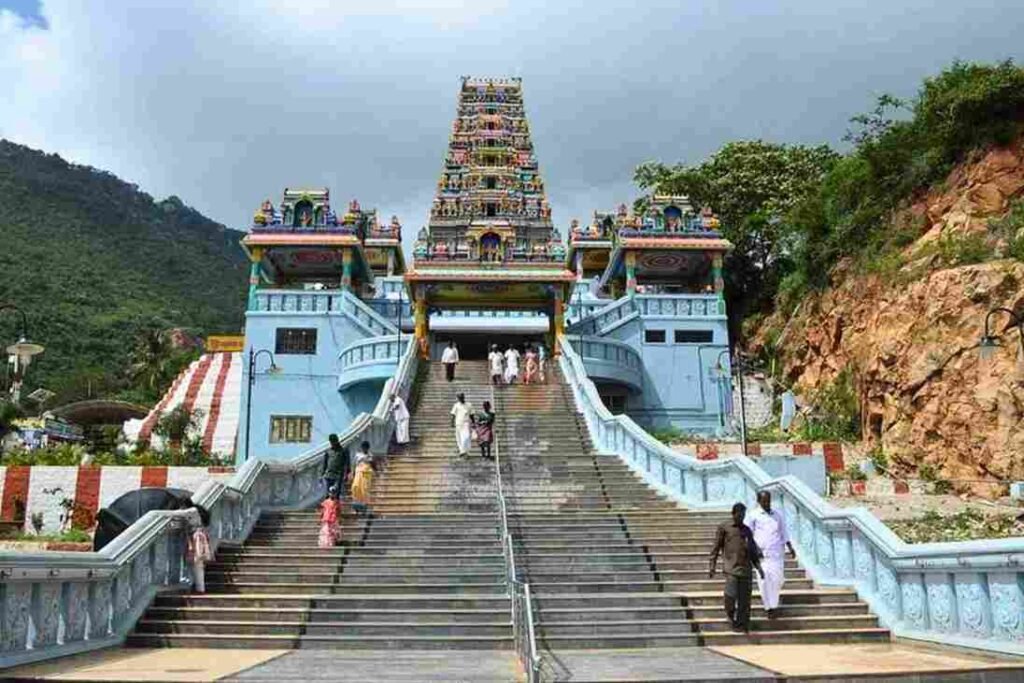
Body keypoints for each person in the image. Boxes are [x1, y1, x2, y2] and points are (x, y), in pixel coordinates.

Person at [709, 502, 764, 633]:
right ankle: (730, 614)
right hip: (731, 568)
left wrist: (759, 567)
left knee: (745, 600)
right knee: (731, 594)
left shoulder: (747, 530)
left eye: (743, 515)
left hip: (746, 569)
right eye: (739, 515)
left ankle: (741, 624)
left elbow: (752, 550)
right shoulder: (724, 527)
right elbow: (716, 548)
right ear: (733, 514)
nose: (741, 518)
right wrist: (712, 565)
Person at [745, 491, 795, 618]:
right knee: (764, 581)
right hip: (762, 556)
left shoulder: (777, 515)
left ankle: (773, 603)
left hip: (777, 553)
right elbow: (747, 534)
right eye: (764, 501)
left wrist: (790, 547)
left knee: (778, 580)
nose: (767, 503)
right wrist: (754, 548)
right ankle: (770, 607)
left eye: (768, 500)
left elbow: (784, 532)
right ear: (759, 501)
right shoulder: (753, 515)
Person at [181, 499, 213, 594]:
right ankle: (199, 588)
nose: (181, 508)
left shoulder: (192, 511)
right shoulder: (195, 511)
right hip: (197, 537)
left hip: (196, 538)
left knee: (197, 562)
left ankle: (200, 589)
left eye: (182, 506)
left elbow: (178, 514)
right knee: (197, 563)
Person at [350, 441, 376, 517]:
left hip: (366, 475)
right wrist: (352, 473)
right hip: (358, 473)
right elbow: (354, 465)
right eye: (363, 448)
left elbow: (373, 465)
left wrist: (371, 462)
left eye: (366, 448)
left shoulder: (370, 455)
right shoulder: (358, 455)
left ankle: (364, 508)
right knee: (355, 488)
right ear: (361, 448)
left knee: (364, 490)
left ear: (368, 448)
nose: (364, 449)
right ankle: (356, 507)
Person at [450, 392, 474, 457]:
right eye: (459, 398)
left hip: (466, 423)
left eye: (461, 397)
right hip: (458, 423)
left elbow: (472, 414)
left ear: (464, 397)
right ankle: (462, 451)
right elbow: (453, 414)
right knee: (459, 438)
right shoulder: (456, 405)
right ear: (458, 398)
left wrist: (473, 422)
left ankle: (465, 450)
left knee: (466, 437)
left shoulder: (469, 405)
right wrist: (452, 422)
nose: (460, 399)